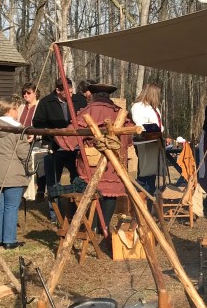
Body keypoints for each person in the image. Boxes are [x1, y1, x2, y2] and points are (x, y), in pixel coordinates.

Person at [57, 82, 133, 235]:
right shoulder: (119, 112)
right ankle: (102, 228)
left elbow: (71, 135)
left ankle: (93, 226)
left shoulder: (89, 111)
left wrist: (56, 134)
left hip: (92, 161)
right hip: (114, 161)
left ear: (93, 95)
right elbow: (128, 136)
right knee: (110, 192)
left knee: (94, 191)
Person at [0, 98, 32, 248]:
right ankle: (9, 240)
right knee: (11, 207)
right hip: (14, 173)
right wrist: (29, 167)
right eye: (16, 109)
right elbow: (24, 154)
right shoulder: (18, 129)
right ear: (10, 110)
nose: (18, 112)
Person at [34, 78, 80, 220]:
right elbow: (37, 123)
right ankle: (56, 214)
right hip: (55, 148)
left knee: (77, 179)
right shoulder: (46, 102)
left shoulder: (79, 100)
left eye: (71, 90)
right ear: (58, 90)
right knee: (53, 181)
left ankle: (75, 211)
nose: (70, 94)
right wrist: (52, 134)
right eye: (66, 91)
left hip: (76, 148)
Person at [130, 82, 164, 194]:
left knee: (152, 171)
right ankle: (142, 195)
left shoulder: (153, 108)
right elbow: (139, 124)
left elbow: (158, 124)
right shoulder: (138, 106)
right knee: (145, 171)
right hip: (144, 141)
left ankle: (150, 194)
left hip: (154, 141)